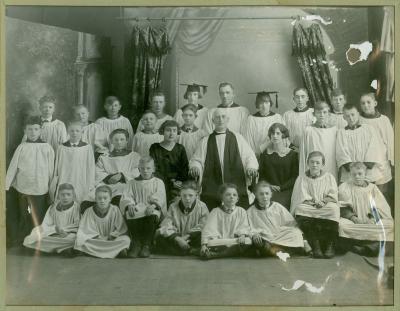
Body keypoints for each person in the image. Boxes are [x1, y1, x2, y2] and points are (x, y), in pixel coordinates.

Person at [189, 108, 258, 210]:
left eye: (223, 117)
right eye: (217, 117)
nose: (220, 120)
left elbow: (249, 157)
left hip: (236, 183)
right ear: (213, 121)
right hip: (212, 186)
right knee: (209, 199)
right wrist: (195, 166)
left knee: (238, 198)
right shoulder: (205, 140)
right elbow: (196, 159)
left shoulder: (238, 138)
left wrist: (250, 167)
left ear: (228, 119)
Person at [6, 116, 55, 242]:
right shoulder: (22, 147)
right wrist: (6, 185)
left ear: (40, 130)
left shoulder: (47, 148)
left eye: (36, 129)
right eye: (30, 129)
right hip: (24, 188)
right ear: (25, 131)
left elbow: (51, 170)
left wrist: (51, 189)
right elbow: (13, 167)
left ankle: (36, 242)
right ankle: (22, 240)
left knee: (38, 216)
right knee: (24, 215)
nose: (33, 132)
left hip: (40, 188)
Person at [291, 151, 340, 259]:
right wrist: (312, 203)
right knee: (300, 209)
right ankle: (316, 245)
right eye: (312, 162)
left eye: (318, 163)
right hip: (309, 206)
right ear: (307, 163)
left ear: (322, 165)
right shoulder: (302, 178)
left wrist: (323, 201)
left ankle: (329, 245)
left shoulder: (329, 177)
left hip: (324, 205)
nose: (314, 165)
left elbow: (333, 194)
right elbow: (301, 196)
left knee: (333, 209)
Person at [338, 163, 393, 256]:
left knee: (391, 225)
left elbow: (380, 207)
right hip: (353, 221)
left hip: (370, 221)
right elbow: (342, 207)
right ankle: (371, 247)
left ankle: (366, 248)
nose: (357, 177)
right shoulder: (344, 187)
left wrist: (372, 219)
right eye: (354, 174)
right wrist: (354, 219)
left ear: (365, 174)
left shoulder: (373, 188)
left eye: (360, 174)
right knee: (342, 226)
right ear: (350, 175)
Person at [119, 156, 167, 258]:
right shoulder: (132, 182)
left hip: (152, 208)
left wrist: (154, 205)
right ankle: (136, 243)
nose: (145, 171)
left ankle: (146, 244)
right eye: (142, 168)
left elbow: (160, 196)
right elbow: (127, 196)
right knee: (130, 212)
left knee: (153, 213)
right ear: (139, 169)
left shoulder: (158, 182)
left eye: (148, 168)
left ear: (153, 169)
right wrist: (129, 204)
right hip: (137, 207)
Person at [247, 181, 305, 257]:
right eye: (261, 194)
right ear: (256, 195)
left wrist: (294, 231)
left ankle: (270, 250)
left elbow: (290, 223)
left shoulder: (277, 206)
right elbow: (247, 227)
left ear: (271, 194)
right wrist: (254, 234)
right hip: (264, 236)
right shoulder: (251, 211)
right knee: (257, 240)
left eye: (267, 193)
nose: (264, 196)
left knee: (295, 232)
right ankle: (273, 249)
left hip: (278, 234)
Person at [336, 103, 388, 184]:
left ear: (358, 114)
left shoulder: (368, 129)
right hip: (351, 172)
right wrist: (352, 167)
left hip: (367, 170)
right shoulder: (341, 132)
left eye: (353, 114)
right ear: (344, 117)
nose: (351, 118)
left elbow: (374, 148)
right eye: (347, 116)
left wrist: (364, 166)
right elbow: (341, 151)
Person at [23, 183, 80, 257]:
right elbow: (46, 224)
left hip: (68, 234)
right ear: (58, 195)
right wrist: (55, 229)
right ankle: (62, 249)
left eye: (68, 194)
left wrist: (64, 231)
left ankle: (48, 248)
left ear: (73, 196)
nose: (65, 197)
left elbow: (77, 224)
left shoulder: (76, 207)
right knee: (32, 235)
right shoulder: (52, 208)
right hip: (52, 233)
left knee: (74, 239)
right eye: (62, 195)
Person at [74, 185, 130, 258]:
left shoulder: (115, 210)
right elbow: (84, 230)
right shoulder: (89, 211)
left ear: (110, 199)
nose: (102, 201)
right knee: (81, 241)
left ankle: (92, 252)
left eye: (105, 198)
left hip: (111, 239)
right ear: (95, 199)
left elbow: (122, 229)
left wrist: (111, 236)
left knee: (126, 240)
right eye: (99, 198)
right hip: (96, 240)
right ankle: (115, 251)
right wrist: (98, 237)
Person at [156, 180, 209, 256]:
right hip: (177, 237)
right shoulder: (173, 206)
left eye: (190, 195)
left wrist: (187, 237)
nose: (187, 198)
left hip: (192, 237)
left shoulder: (202, 206)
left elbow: (203, 225)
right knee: (160, 238)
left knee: (204, 236)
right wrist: (178, 239)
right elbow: (166, 225)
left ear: (196, 195)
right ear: (180, 195)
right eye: (184, 195)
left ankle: (183, 250)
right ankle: (190, 250)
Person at [200, 183, 251, 260]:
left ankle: (215, 255)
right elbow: (208, 229)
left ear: (237, 199)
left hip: (235, 241)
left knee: (248, 241)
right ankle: (228, 253)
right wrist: (204, 245)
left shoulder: (241, 211)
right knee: (211, 243)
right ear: (222, 198)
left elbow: (244, 226)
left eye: (234, 195)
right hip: (221, 242)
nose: (231, 197)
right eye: (228, 195)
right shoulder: (215, 211)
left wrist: (242, 235)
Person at [359, 92, 394, 202]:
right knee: (367, 194)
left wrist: (391, 161)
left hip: (381, 162)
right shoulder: (359, 120)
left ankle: (383, 216)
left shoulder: (384, 120)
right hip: (365, 162)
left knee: (381, 194)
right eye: (363, 103)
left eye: (368, 102)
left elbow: (390, 142)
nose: (366, 105)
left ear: (375, 103)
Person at [50, 121, 95, 203]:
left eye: (77, 131)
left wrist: (90, 183)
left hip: (81, 179)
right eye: (72, 131)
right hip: (65, 178)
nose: (74, 133)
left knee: (80, 199)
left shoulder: (87, 148)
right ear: (68, 132)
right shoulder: (61, 147)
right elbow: (57, 166)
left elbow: (90, 167)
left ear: (82, 132)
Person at [95, 129, 141, 205]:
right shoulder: (104, 157)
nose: (119, 142)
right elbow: (98, 171)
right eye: (116, 140)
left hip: (127, 185)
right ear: (112, 142)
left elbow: (138, 170)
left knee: (120, 198)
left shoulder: (134, 156)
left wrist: (122, 175)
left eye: (122, 139)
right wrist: (108, 177)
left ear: (127, 141)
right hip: (108, 184)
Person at [258, 123, 299, 209]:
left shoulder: (292, 154)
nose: (275, 136)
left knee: (279, 206)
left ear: (283, 135)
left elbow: (294, 176)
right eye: (273, 133)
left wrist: (281, 187)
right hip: (268, 190)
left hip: (287, 190)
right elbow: (261, 175)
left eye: (278, 133)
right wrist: (269, 186)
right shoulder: (265, 154)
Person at [149, 120, 189, 204]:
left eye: (174, 130)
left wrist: (180, 182)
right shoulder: (155, 148)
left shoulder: (180, 148)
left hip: (179, 185)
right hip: (161, 183)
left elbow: (185, 169)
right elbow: (154, 169)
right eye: (168, 130)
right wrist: (170, 183)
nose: (171, 134)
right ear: (162, 131)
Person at [299, 101, 338, 180]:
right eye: (319, 112)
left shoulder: (334, 130)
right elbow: (303, 152)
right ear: (314, 114)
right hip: (313, 165)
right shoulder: (308, 130)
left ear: (328, 114)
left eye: (324, 112)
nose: (322, 115)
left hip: (331, 164)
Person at [244, 91, 285, 156]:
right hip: (257, 155)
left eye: (266, 102)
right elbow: (248, 140)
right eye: (261, 103)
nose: (264, 106)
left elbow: (283, 138)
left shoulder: (277, 117)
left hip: (275, 155)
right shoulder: (251, 119)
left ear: (270, 103)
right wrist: (254, 155)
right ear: (257, 105)